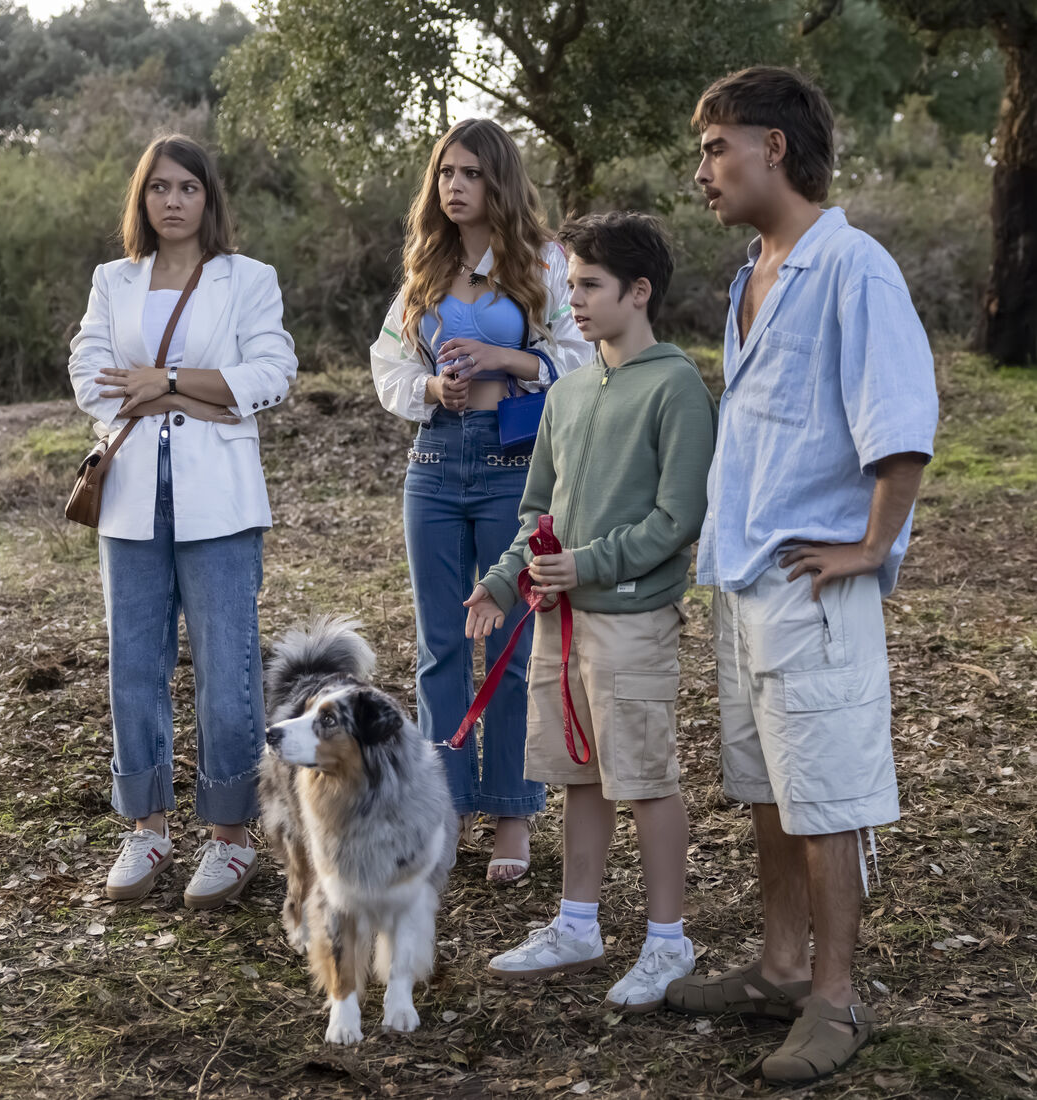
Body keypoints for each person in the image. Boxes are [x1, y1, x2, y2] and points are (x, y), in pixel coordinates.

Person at [663, 68, 938, 1084]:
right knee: (770, 790)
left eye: (713, 146)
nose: (701, 169)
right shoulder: (753, 271)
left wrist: (869, 545)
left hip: (814, 583)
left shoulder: (851, 267)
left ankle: (833, 997)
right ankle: (778, 969)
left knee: (823, 795)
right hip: (746, 573)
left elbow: (899, 421)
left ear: (771, 146)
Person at [466, 211, 717, 1009]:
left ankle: (667, 942)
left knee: (642, 778)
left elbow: (678, 518)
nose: (571, 298)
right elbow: (538, 511)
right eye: (569, 283)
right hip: (556, 620)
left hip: (632, 619)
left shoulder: (676, 385)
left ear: (639, 292)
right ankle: (577, 924)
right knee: (578, 775)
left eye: (589, 285)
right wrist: (506, 579)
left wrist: (588, 566)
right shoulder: (568, 390)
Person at [68, 134, 297, 909]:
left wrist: (165, 381)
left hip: (221, 498)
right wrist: (189, 393)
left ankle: (230, 841)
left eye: (187, 188)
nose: (172, 200)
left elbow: (271, 374)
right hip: (131, 496)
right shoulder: (113, 280)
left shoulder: (247, 279)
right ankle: (148, 827)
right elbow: (89, 374)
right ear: (143, 197)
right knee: (134, 666)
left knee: (227, 673)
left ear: (209, 198)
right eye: (159, 187)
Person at [370, 118, 588, 883]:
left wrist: (508, 358)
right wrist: (432, 384)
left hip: (513, 463)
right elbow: (389, 364)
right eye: (444, 174)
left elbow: (580, 354)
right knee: (439, 644)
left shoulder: (542, 264)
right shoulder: (424, 269)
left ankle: (512, 816)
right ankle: (442, 814)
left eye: (469, 173)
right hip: (434, 462)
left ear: (499, 181)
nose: (453, 187)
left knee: (512, 644)